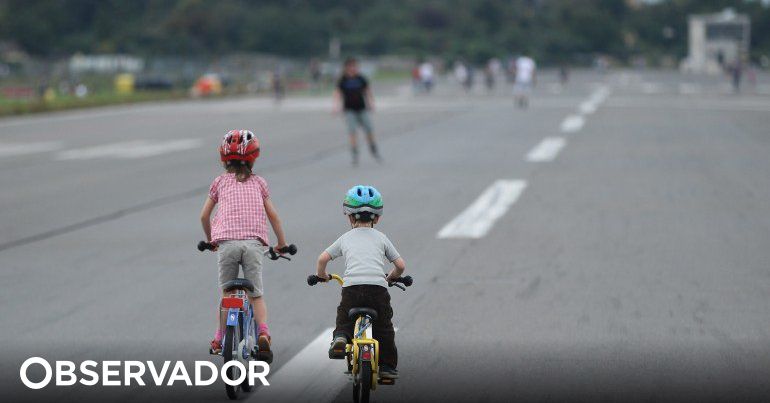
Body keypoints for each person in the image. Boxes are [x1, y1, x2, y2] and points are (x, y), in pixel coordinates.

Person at [200, 129, 289, 361]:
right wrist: (281, 244)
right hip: (253, 245)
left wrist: (212, 241)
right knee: (255, 294)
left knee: (227, 293)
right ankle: (263, 333)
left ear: (223, 158)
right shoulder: (259, 183)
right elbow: (274, 217)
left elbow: (204, 216)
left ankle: (220, 336)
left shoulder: (219, 182)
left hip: (226, 244)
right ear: (253, 157)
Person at [315, 185, 407, 379]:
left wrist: (321, 275)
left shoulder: (345, 238)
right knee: (384, 328)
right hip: (377, 290)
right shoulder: (382, 238)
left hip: (352, 289)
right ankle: (387, 368)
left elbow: (322, 259)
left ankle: (341, 337)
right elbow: (400, 265)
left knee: (344, 317)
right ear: (377, 217)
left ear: (349, 216)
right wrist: (392, 276)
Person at [334, 58, 381, 165]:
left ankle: (372, 146)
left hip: (362, 108)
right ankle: (354, 152)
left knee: (369, 129)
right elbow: (337, 93)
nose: (353, 68)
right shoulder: (343, 80)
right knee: (352, 131)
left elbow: (367, 91)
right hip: (349, 110)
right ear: (346, 68)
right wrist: (336, 107)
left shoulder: (361, 78)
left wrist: (371, 103)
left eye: (355, 66)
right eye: (351, 66)